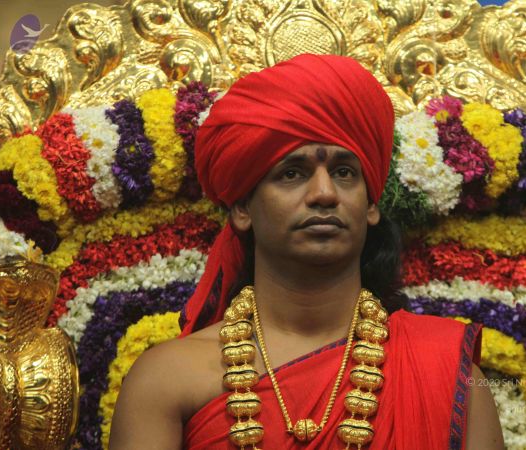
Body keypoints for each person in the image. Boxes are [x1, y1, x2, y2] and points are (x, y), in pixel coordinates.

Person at [109, 54, 503, 449]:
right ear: (242, 208)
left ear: (370, 205)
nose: (324, 193)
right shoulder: (167, 379)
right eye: (292, 173)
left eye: (344, 172)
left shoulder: (447, 372)